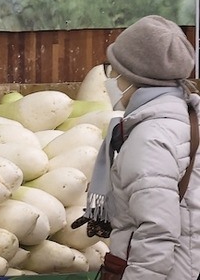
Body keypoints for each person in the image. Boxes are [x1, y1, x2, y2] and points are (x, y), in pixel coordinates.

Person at [72, 15, 200, 279]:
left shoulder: (150, 138)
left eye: (114, 70)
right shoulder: (188, 115)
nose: (111, 79)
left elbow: (156, 232)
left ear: (132, 77)